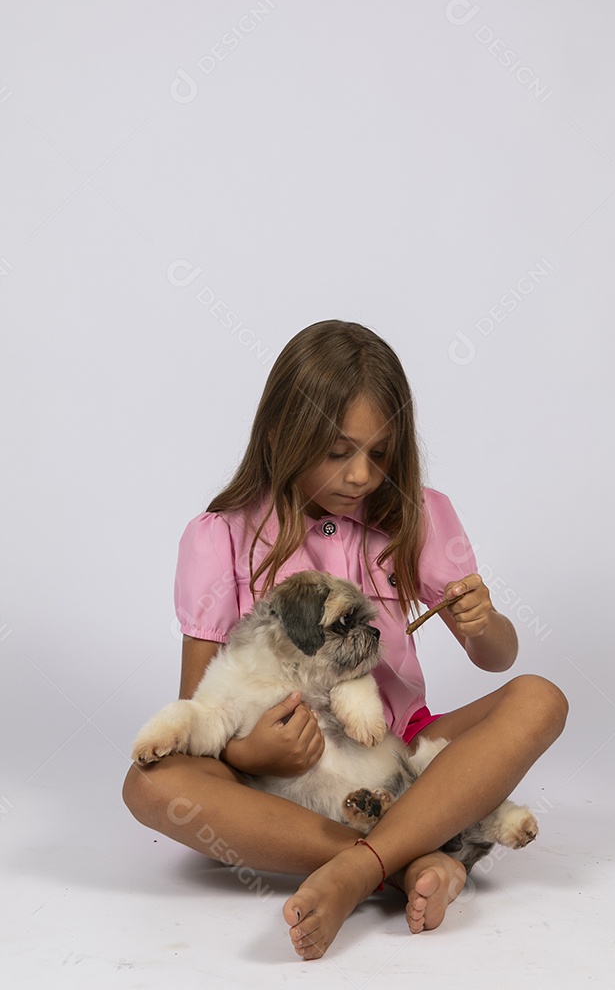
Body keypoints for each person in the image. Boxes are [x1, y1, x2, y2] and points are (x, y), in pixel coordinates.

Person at [122, 319, 568, 961]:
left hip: (402, 744)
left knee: (539, 698)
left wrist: (482, 622)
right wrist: (253, 758)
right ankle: (414, 855)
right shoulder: (219, 536)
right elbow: (200, 706)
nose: (361, 476)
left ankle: (358, 870)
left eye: (380, 454)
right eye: (337, 452)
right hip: (286, 777)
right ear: (281, 437)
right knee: (151, 784)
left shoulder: (418, 513)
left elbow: (497, 657)